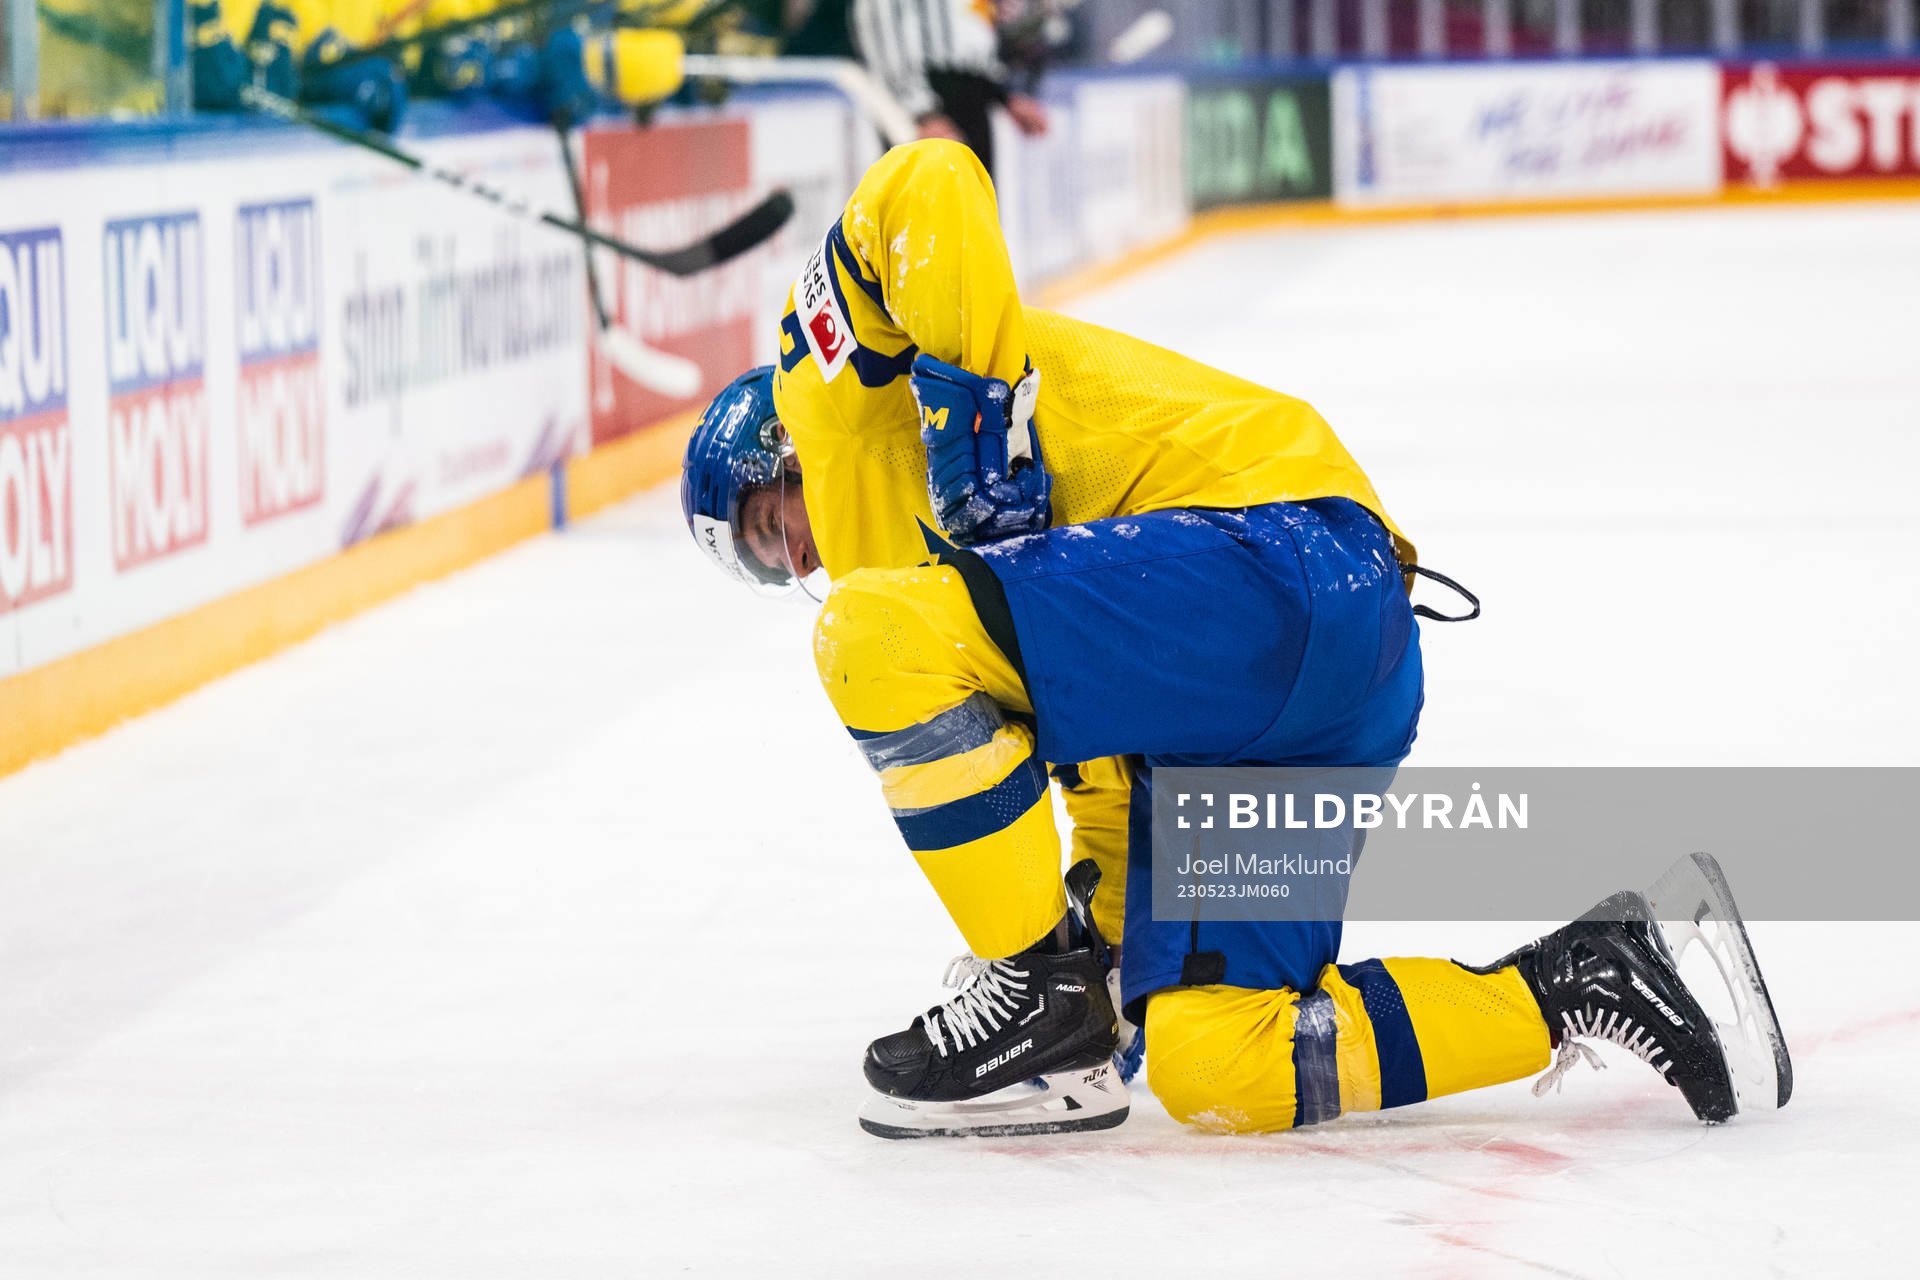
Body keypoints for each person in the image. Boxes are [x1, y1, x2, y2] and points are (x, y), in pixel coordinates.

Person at [679, 140, 1792, 1138]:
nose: (801, 560)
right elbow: (1109, 792)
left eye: (773, 524)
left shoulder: (830, 402)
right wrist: (1103, 978)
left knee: (866, 637)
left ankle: (1031, 984)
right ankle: (1587, 975)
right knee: (1222, 1062)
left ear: (778, 449)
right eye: (772, 560)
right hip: (1316, 679)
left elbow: (929, 182)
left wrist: (975, 427)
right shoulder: (977, 607)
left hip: (1283, 559)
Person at [848, 0, 1048, 180]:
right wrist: (922, 113)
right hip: (930, 101)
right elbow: (880, 24)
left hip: (971, 99)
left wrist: (1004, 95)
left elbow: (972, 29)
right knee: (927, 211)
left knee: (972, 211)